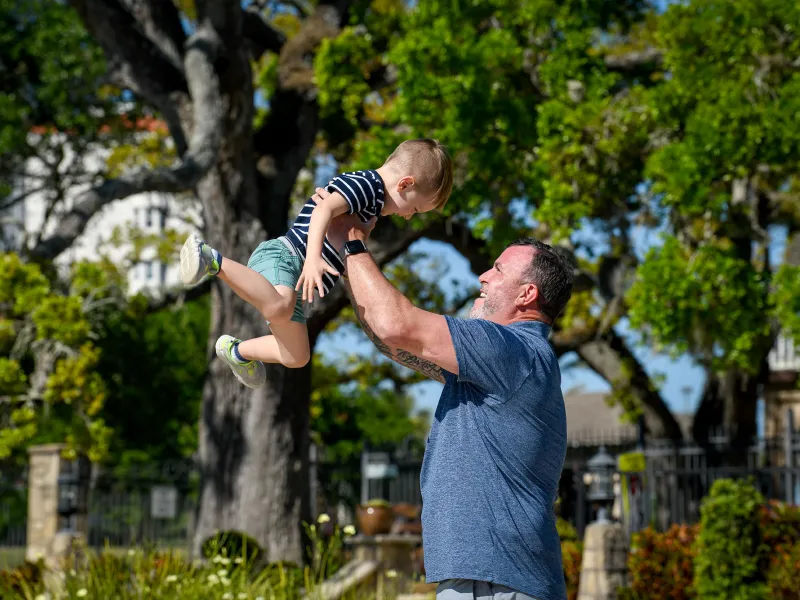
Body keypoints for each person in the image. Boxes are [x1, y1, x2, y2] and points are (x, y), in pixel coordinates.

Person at [313, 183, 574, 600]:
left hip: (500, 586)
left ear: (528, 295)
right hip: (480, 580)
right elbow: (394, 341)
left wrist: (353, 240)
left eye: (498, 270)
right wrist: (344, 254)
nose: (482, 276)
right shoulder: (496, 365)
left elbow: (398, 325)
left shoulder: (513, 351)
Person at [178, 138, 453, 388]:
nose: (408, 217)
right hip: (287, 256)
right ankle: (210, 259)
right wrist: (311, 261)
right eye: (415, 209)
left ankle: (237, 351)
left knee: (296, 355)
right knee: (280, 306)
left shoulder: (372, 206)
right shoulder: (368, 185)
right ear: (405, 184)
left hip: (295, 275)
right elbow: (324, 208)